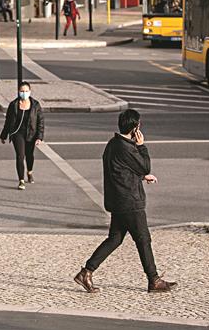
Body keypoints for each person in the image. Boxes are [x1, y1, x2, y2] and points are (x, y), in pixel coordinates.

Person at [74, 110, 177, 294]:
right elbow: (144, 164)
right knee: (143, 239)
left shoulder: (113, 144)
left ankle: (86, 272)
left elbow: (122, 170)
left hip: (119, 200)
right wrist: (142, 146)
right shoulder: (127, 147)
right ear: (135, 128)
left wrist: (141, 176)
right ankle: (154, 280)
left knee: (115, 239)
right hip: (130, 201)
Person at [0, 81, 44, 190]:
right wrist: (3, 135)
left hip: (31, 134)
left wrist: (39, 137)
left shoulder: (35, 105)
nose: (24, 93)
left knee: (29, 155)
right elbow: (8, 121)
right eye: (22, 91)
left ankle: (29, 172)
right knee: (20, 155)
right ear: (18, 92)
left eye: (26, 91)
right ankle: (21, 180)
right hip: (17, 133)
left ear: (30, 91)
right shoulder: (13, 105)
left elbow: (40, 122)